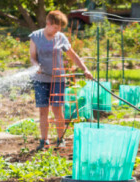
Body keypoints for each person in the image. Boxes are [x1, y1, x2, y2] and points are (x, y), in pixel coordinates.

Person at [29, 11, 93, 151]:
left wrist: (85, 69)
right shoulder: (36, 36)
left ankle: (61, 139)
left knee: (57, 110)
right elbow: (33, 57)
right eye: (56, 27)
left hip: (58, 79)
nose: (58, 31)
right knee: (43, 111)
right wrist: (36, 66)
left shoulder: (60, 38)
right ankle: (44, 140)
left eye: (60, 28)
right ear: (48, 23)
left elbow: (73, 55)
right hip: (41, 79)